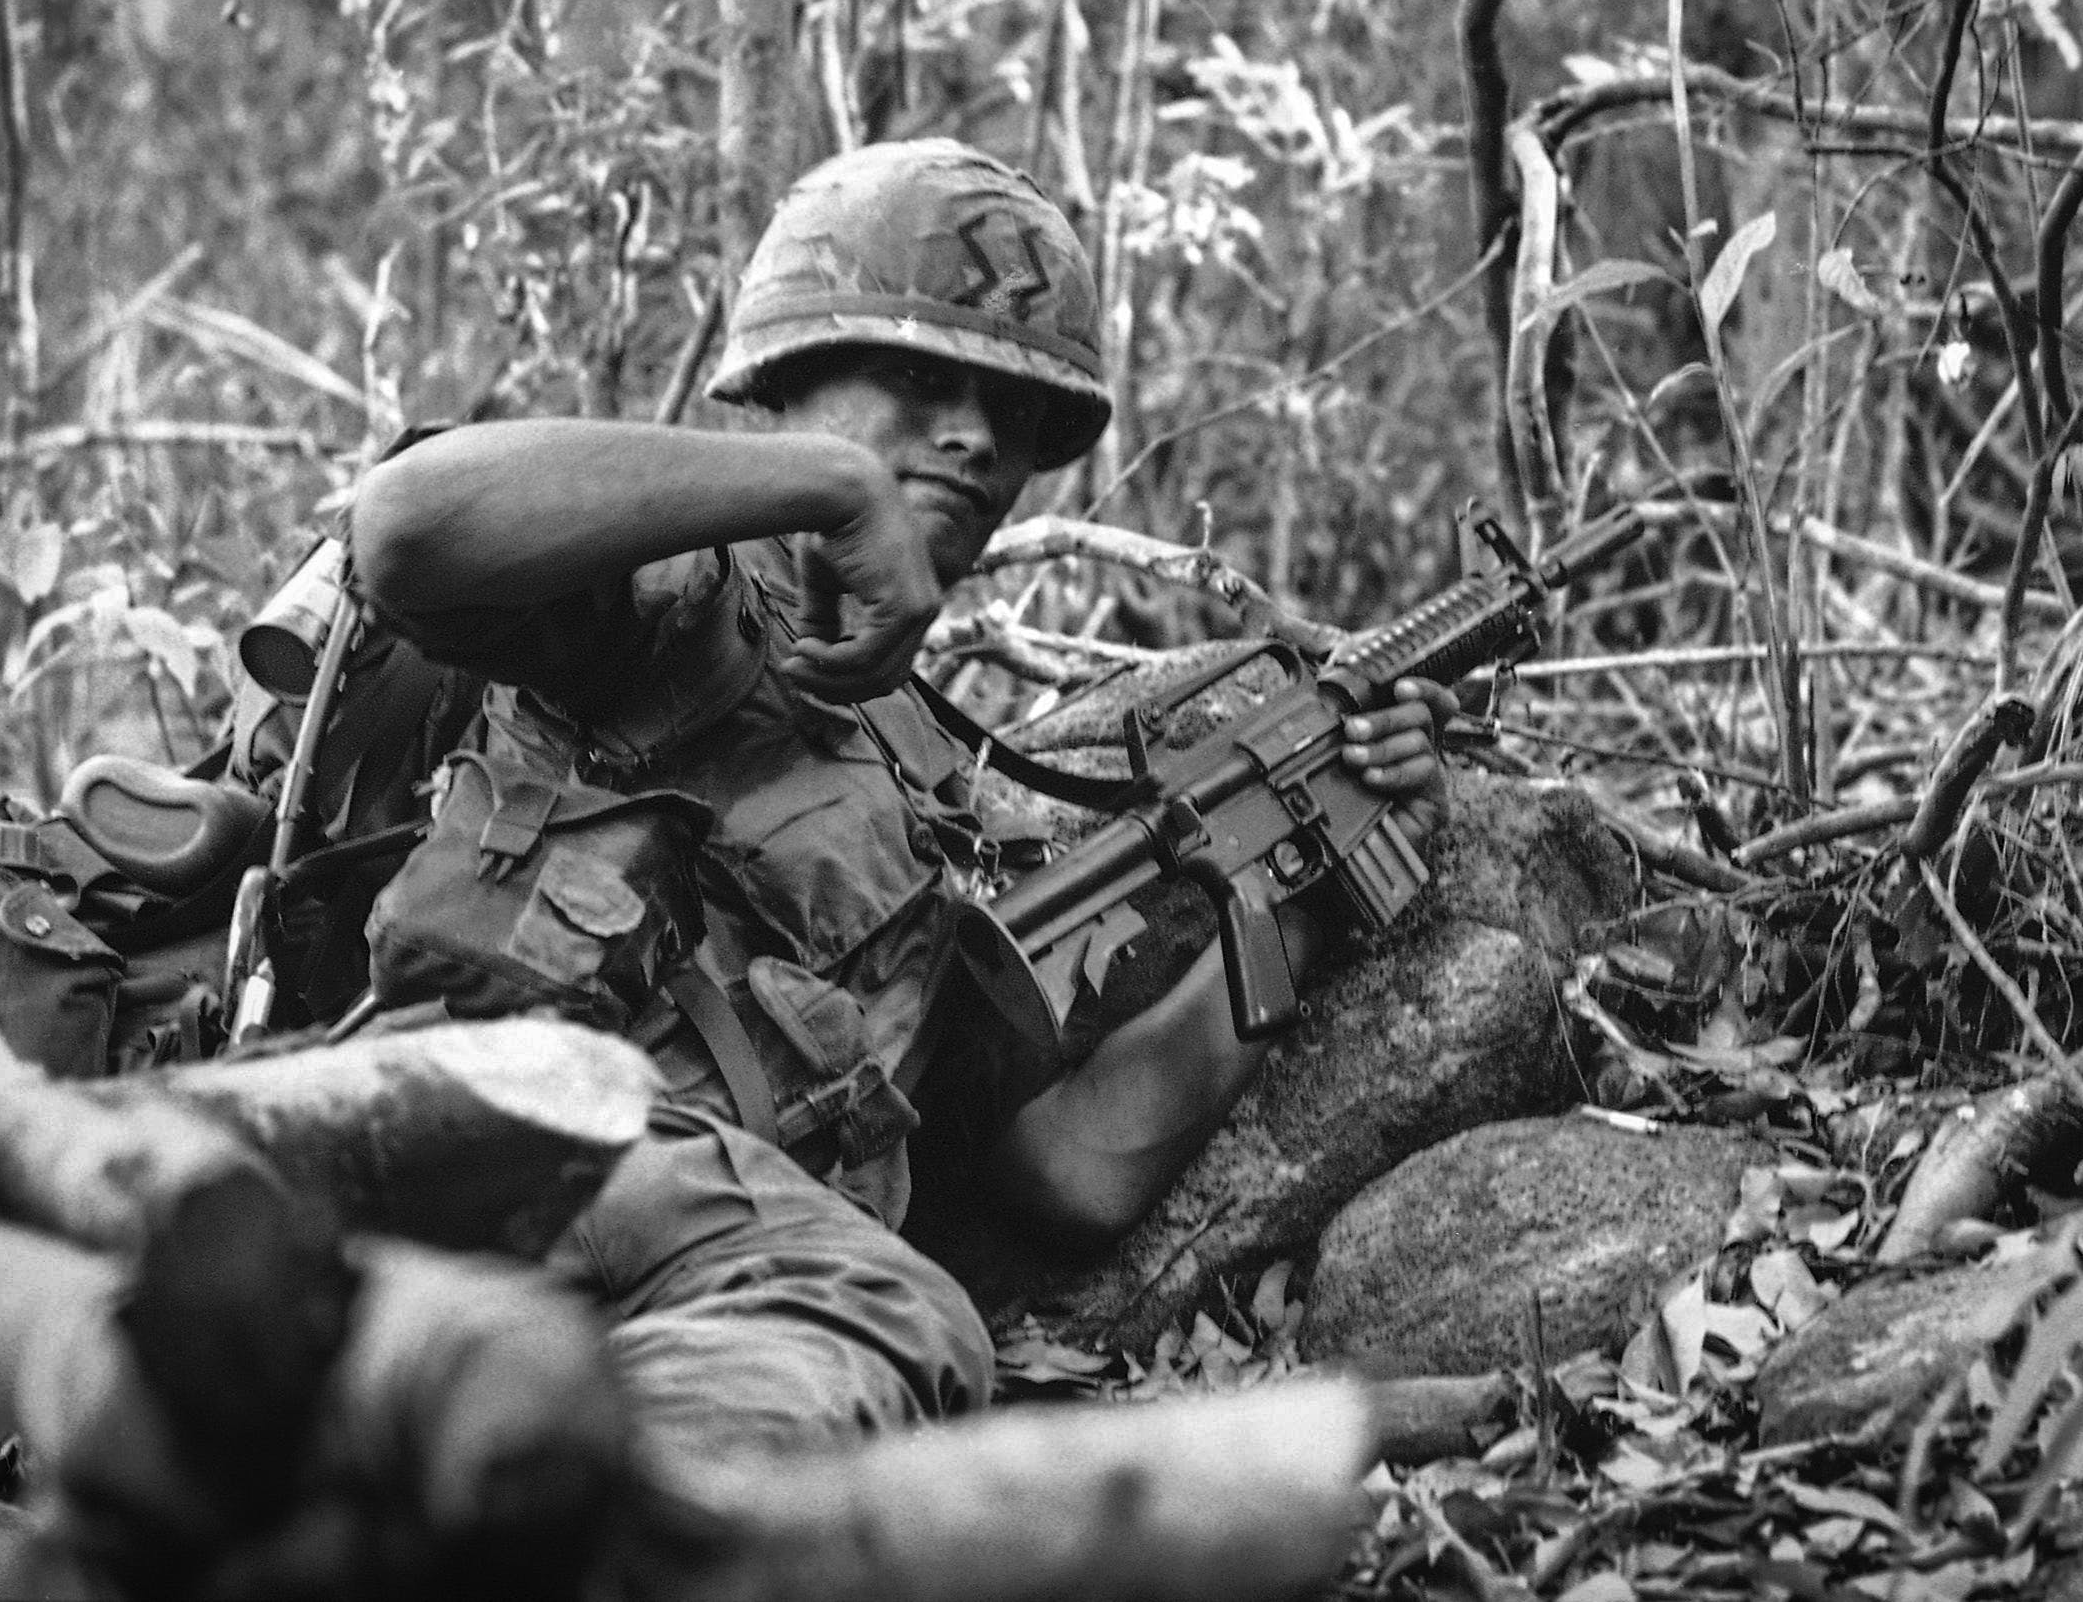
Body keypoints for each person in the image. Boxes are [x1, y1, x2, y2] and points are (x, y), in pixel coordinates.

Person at [347, 138, 1452, 1462]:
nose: (976, 440)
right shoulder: (674, 585)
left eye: (1013, 417)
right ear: (786, 378)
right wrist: (831, 486)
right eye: (922, 381)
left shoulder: (921, 772)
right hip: (501, 1157)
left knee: (899, 1319)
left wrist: (1317, 865)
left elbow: (1071, 1169)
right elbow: (405, 527)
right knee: (892, 1322)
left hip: (691, 1265)